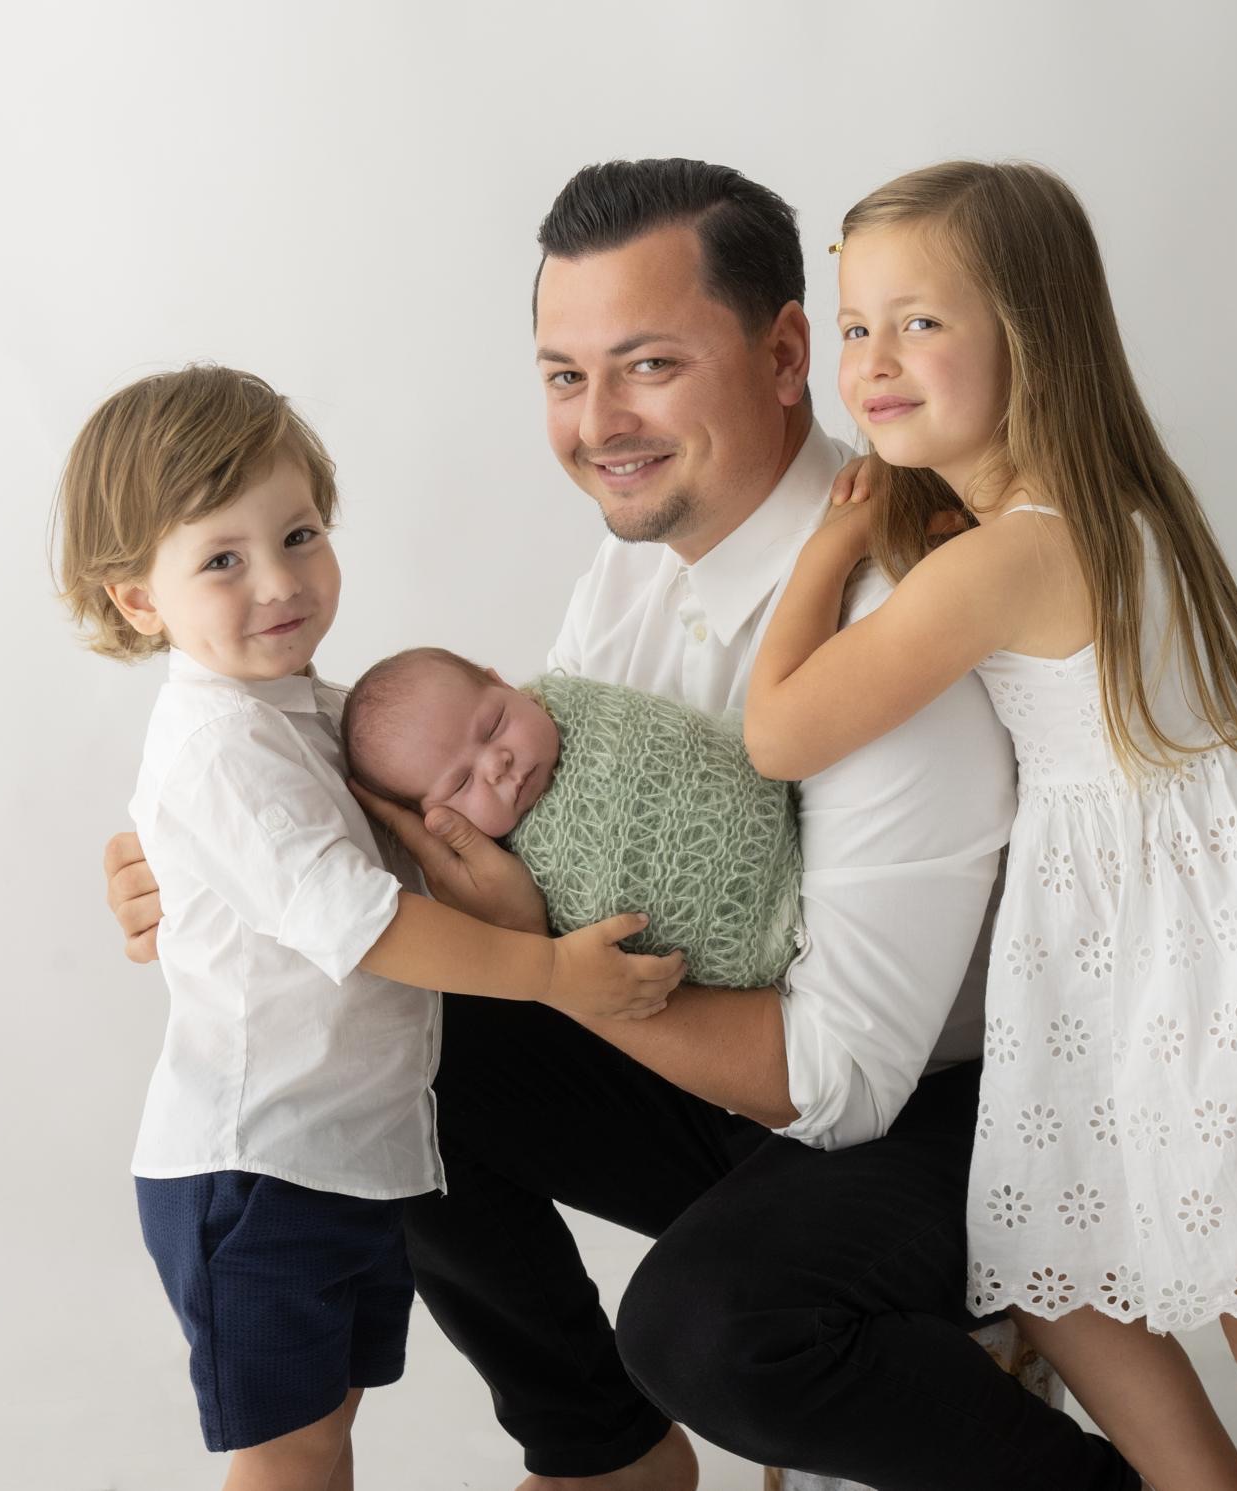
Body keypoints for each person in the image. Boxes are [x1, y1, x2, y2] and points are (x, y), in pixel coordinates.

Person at [104, 160, 1142, 1491]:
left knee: (708, 1329)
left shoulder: (893, 607)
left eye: (648, 364)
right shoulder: (635, 566)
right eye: (564, 375)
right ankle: (606, 1454)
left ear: (785, 356)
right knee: (375, 1039)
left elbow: (841, 1082)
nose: (599, 423)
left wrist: (555, 972)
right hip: (735, 1066)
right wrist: (214, 860)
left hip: (952, 1111)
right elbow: (484, 850)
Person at [743, 160, 1237, 1491]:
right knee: (1075, 1279)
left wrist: (824, 553)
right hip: (1196, 925)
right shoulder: (1119, 501)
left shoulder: (1005, 557)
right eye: (855, 325)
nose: (873, 361)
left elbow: (779, 735)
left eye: (920, 321)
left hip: (1171, 951)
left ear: (1029, 335)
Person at [56, 366, 683, 1491]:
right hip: (255, 1167)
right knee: (290, 1447)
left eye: (298, 536)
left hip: (339, 1155)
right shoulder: (222, 746)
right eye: (222, 560)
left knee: (327, 1424)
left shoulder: (306, 713)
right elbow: (365, 923)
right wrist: (547, 969)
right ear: (139, 600)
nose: (279, 582)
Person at [341, 646, 803, 988]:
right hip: (774, 948)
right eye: (461, 783)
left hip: (792, 797)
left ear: (503, 683)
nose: (496, 763)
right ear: (437, 821)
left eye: (494, 726)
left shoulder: (578, 703)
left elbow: (683, 736)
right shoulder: (501, 877)